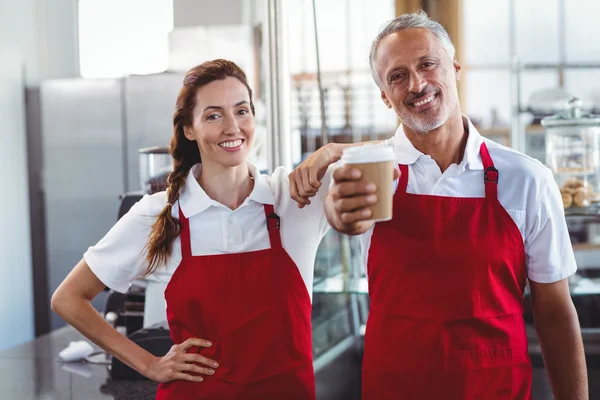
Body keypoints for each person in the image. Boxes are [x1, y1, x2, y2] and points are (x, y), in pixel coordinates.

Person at [324, 11, 588, 400]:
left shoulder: (527, 179)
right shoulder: (367, 174)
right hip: (395, 386)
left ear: (456, 68)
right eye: (397, 76)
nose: (416, 84)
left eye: (427, 64)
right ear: (384, 95)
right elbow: (336, 212)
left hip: (496, 387)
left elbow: (554, 314)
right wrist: (336, 208)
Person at [51, 59, 350, 400]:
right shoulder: (161, 212)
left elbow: (397, 158)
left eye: (241, 111)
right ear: (189, 129)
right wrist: (149, 365)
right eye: (213, 115)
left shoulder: (294, 197)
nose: (232, 127)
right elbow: (68, 298)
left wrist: (330, 152)